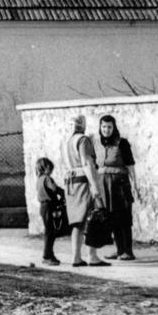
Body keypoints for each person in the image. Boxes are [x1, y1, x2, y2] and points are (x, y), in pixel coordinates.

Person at [61, 114, 107, 267]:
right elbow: (87, 163)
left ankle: (76, 257)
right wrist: (94, 186)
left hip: (70, 182)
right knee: (91, 218)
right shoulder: (83, 140)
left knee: (77, 222)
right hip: (83, 181)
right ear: (82, 125)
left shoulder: (66, 141)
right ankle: (92, 256)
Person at [94, 114, 139, 260]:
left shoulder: (122, 143)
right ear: (100, 128)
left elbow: (130, 166)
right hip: (104, 185)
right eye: (104, 127)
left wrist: (135, 186)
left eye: (109, 127)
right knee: (111, 217)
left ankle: (128, 251)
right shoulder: (98, 144)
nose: (106, 130)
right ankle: (119, 250)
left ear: (114, 128)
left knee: (124, 217)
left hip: (120, 184)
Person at [35, 156, 67, 265]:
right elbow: (54, 189)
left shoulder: (39, 179)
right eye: (50, 168)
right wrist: (64, 193)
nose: (51, 171)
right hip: (49, 207)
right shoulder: (47, 178)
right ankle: (47, 256)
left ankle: (50, 254)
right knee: (50, 233)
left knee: (49, 231)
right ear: (47, 167)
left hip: (43, 207)